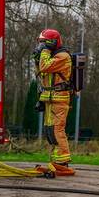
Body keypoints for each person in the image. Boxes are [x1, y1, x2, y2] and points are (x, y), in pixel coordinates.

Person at [34, 28, 75, 176]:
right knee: (50, 130)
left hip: (59, 98)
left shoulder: (63, 56)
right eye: (40, 43)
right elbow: (41, 72)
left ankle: (62, 161)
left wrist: (44, 53)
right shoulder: (52, 56)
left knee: (58, 129)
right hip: (49, 98)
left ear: (52, 43)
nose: (41, 45)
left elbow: (46, 66)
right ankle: (55, 160)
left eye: (43, 43)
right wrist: (37, 58)